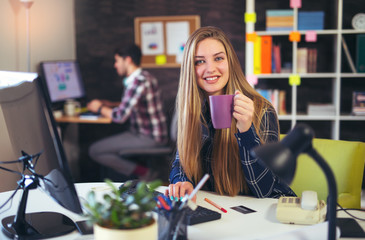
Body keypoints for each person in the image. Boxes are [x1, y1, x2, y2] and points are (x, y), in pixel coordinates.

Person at [168, 26, 296, 201]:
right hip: (217, 207)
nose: (210, 68)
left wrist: (246, 131)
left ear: (230, 62)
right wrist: (182, 181)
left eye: (218, 58)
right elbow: (181, 162)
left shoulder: (261, 110)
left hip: (263, 212)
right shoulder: (194, 110)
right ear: (191, 69)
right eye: (199, 61)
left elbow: (264, 190)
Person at [87, 44, 168, 180]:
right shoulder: (144, 76)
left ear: (128, 60)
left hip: (149, 137)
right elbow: (135, 104)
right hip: (146, 133)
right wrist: (111, 104)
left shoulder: (138, 82)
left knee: (95, 151)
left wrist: (99, 108)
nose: (115, 65)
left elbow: (120, 116)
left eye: (117, 61)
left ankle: (144, 173)